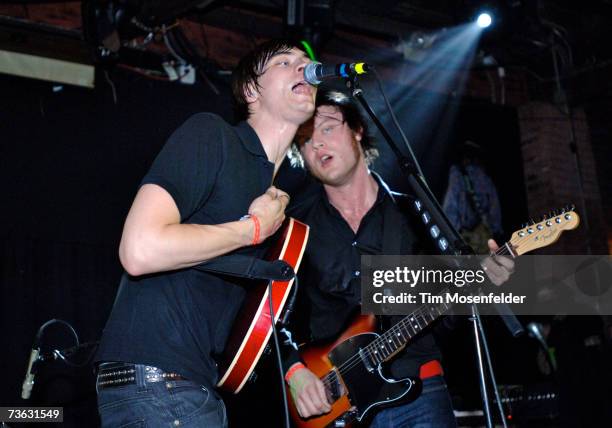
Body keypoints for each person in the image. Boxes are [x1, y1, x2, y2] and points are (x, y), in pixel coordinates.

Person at [94, 39, 315, 428]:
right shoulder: (212, 136)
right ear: (250, 90)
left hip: (186, 390)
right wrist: (252, 230)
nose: (303, 68)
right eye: (284, 61)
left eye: (306, 62)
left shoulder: (275, 196)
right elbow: (140, 249)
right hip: (161, 388)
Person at [283, 89, 514, 427]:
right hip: (336, 407)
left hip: (418, 389)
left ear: (358, 130)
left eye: (328, 128)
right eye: (305, 139)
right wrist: (295, 371)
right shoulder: (297, 228)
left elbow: (448, 316)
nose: (317, 143)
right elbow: (270, 319)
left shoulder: (415, 213)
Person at [442, 140, 504, 254]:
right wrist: (495, 229)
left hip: (466, 238)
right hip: (484, 235)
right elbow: (494, 206)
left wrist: (452, 234)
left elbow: (449, 208)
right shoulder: (484, 177)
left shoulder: (457, 176)